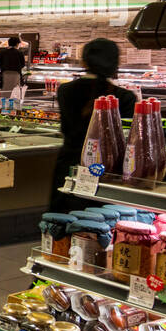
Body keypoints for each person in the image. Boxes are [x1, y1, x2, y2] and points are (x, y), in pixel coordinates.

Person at [49, 38, 137, 211]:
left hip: (69, 166)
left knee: (62, 221)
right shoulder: (125, 97)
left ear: (84, 61)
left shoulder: (65, 91)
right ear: (114, 63)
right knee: (100, 224)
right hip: (107, 172)